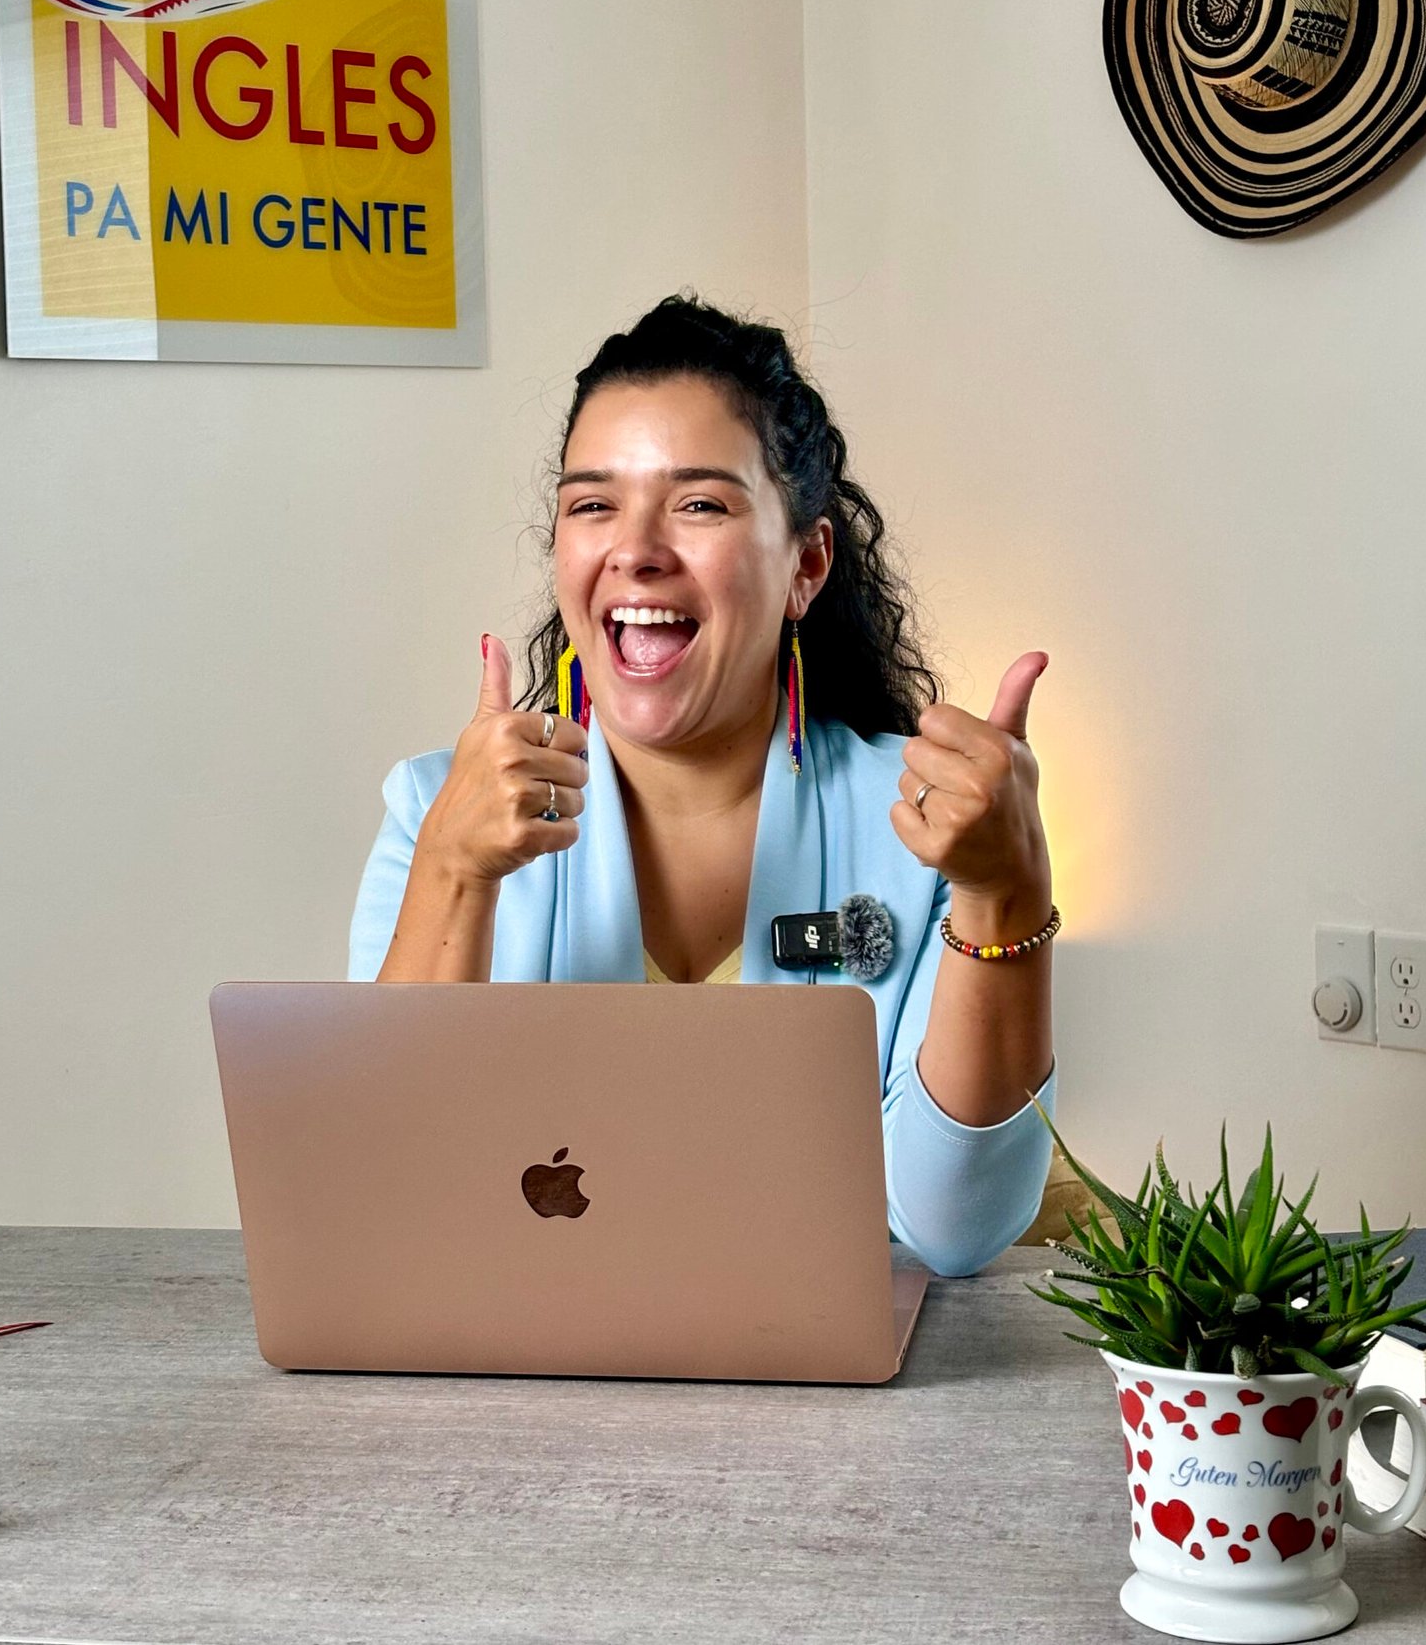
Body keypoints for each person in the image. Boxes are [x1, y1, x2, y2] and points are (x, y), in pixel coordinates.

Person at [349, 294, 1058, 1275]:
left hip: (818, 1364)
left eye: (699, 504)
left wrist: (1002, 891)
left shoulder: (931, 829)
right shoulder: (431, 811)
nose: (635, 550)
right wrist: (454, 874)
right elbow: (384, 1194)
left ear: (806, 563)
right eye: (592, 504)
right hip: (518, 1355)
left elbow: (953, 1229)